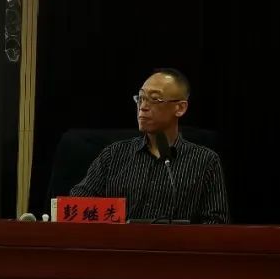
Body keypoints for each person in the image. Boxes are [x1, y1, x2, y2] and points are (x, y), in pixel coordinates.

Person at [69, 68, 229, 223]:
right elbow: (77, 204)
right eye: (140, 98)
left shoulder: (205, 161)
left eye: (154, 99)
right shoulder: (113, 155)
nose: (143, 107)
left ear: (180, 108)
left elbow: (215, 223)